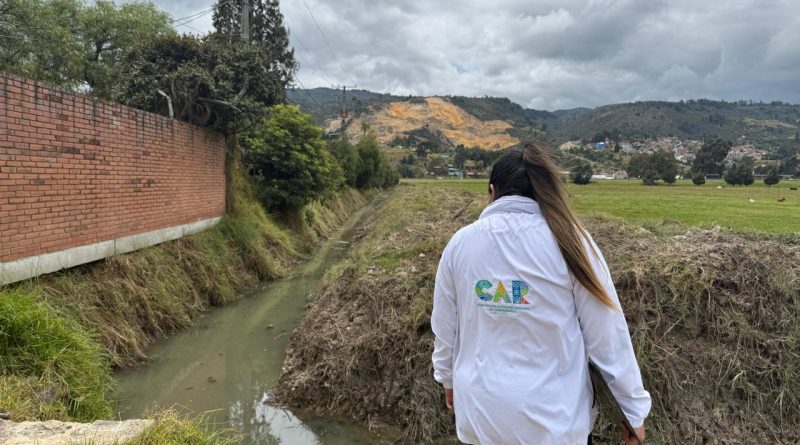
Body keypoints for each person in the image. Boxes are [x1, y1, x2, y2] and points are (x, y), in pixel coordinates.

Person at [431, 142, 651, 445]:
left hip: (481, 417)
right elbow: (608, 337)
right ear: (547, 191)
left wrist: (447, 379)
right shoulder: (573, 242)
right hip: (554, 423)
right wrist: (633, 412)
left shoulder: (460, 244)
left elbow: (445, 329)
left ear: (492, 191)